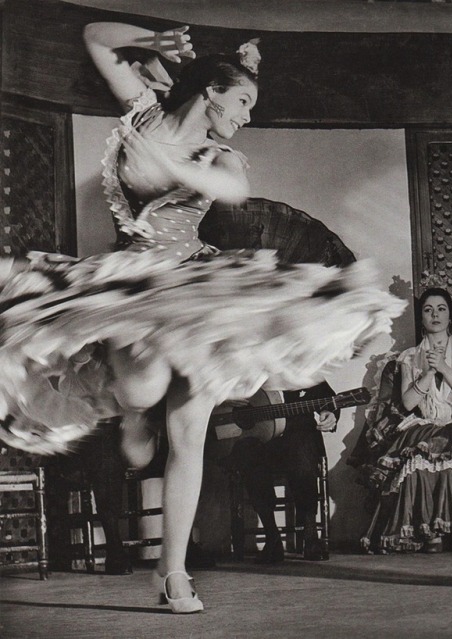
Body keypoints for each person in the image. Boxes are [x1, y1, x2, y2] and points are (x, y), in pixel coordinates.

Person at [0, 21, 405, 614]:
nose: (245, 115)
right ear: (210, 91)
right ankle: (136, 419)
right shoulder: (142, 112)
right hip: (132, 288)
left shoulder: (222, 156)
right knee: (141, 393)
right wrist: (156, 42)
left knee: (190, 435)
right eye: (242, 100)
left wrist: (181, 169)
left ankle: (174, 575)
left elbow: (231, 192)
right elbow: (94, 36)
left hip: (192, 291)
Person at [361, 287, 452, 554]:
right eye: (428, 310)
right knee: (418, 462)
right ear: (422, 319)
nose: (434, 314)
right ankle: (428, 532)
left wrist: (445, 368)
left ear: (450, 317)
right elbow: (409, 403)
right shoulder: (409, 357)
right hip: (425, 424)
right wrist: (428, 372)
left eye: (441, 309)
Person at [224, 381, 338, 563]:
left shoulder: (302, 364)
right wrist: (224, 396)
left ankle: (310, 535)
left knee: (301, 449)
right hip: (262, 443)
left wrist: (330, 413)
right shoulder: (245, 365)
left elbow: (327, 397)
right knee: (246, 451)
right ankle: (272, 538)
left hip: (299, 439)